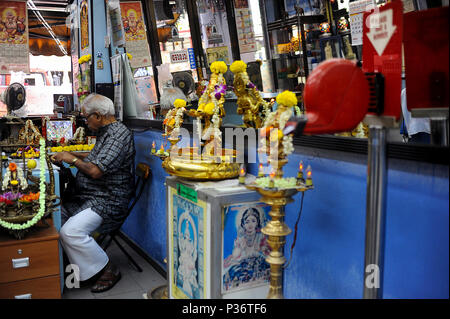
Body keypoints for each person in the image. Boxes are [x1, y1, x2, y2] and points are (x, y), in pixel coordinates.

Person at [51, 93, 135, 293]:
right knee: (57, 218)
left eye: (86, 118)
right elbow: (96, 154)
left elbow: (96, 171)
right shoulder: (107, 132)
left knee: (69, 231)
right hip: (91, 195)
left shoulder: (117, 135)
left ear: (98, 115)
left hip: (108, 199)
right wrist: (70, 154)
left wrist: (70, 159)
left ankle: (108, 269)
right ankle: (73, 269)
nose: (85, 122)